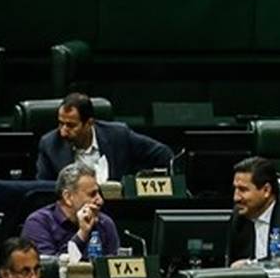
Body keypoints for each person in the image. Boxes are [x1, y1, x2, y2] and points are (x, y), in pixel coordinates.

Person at [36, 93, 173, 181]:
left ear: (89, 123)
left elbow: (163, 154)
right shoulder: (50, 144)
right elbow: (43, 188)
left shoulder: (118, 135)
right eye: (61, 123)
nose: (63, 132)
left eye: (71, 125)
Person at [21, 163, 120, 257]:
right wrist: (82, 235)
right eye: (92, 194)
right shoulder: (38, 224)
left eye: (99, 193)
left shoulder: (105, 223)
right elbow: (50, 267)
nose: (100, 201)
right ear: (68, 197)